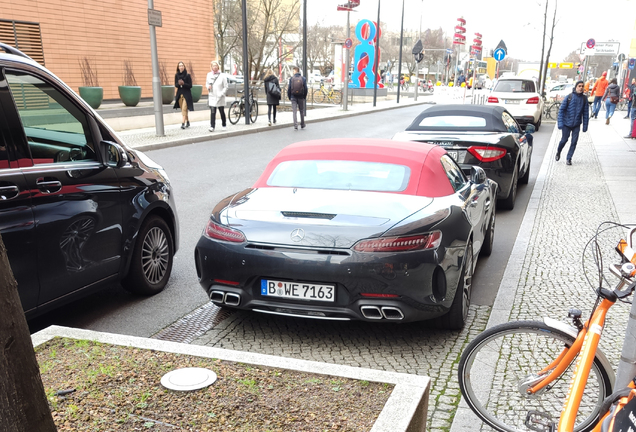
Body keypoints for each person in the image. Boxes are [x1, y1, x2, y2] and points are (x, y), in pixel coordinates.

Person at [556, 80, 589, 166]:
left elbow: (586, 113)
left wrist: (585, 126)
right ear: (576, 87)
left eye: (582, 86)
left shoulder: (584, 99)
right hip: (566, 124)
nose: (581, 88)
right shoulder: (569, 97)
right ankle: (558, 151)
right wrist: (560, 123)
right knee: (564, 140)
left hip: (576, 124)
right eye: (579, 86)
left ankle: (569, 158)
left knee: (574, 142)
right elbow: (561, 111)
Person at [206, 61, 228, 132]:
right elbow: (207, 83)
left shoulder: (222, 75)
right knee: (213, 111)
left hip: (220, 96)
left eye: (216, 66)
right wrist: (208, 87)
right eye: (213, 66)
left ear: (218, 67)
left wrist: (222, 93)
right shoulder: (209, 75)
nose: (214, 67)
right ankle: (212, 126)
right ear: (211, 67)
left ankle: (224, 125)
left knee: (221, 111)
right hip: (212, 95)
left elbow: (226, 86)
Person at [174, 61, 194, 129]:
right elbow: (176, 85)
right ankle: (187, 121)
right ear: (178, 67)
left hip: (187, 94)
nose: (181, 67)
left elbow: (190, 85)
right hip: (180, 94)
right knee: (183, 109)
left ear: (184, 67)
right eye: (180, 66)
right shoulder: (176, 75)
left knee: (184, 108)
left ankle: (183, 123)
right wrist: (179, 84)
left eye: (182, 65)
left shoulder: (187, 75)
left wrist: (184, 84)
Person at [287, 66, 307, 130]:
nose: (293, 72)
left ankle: (295, 125)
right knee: (301, 111)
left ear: (295, 71)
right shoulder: (303, 78)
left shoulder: (291, 78)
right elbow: (306, 88)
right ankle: (302, 124)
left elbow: (289, 88)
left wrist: (289, 96)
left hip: (293, 96)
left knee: (294, 111)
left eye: (293, 71)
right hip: (301, 96)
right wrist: (304, 96)